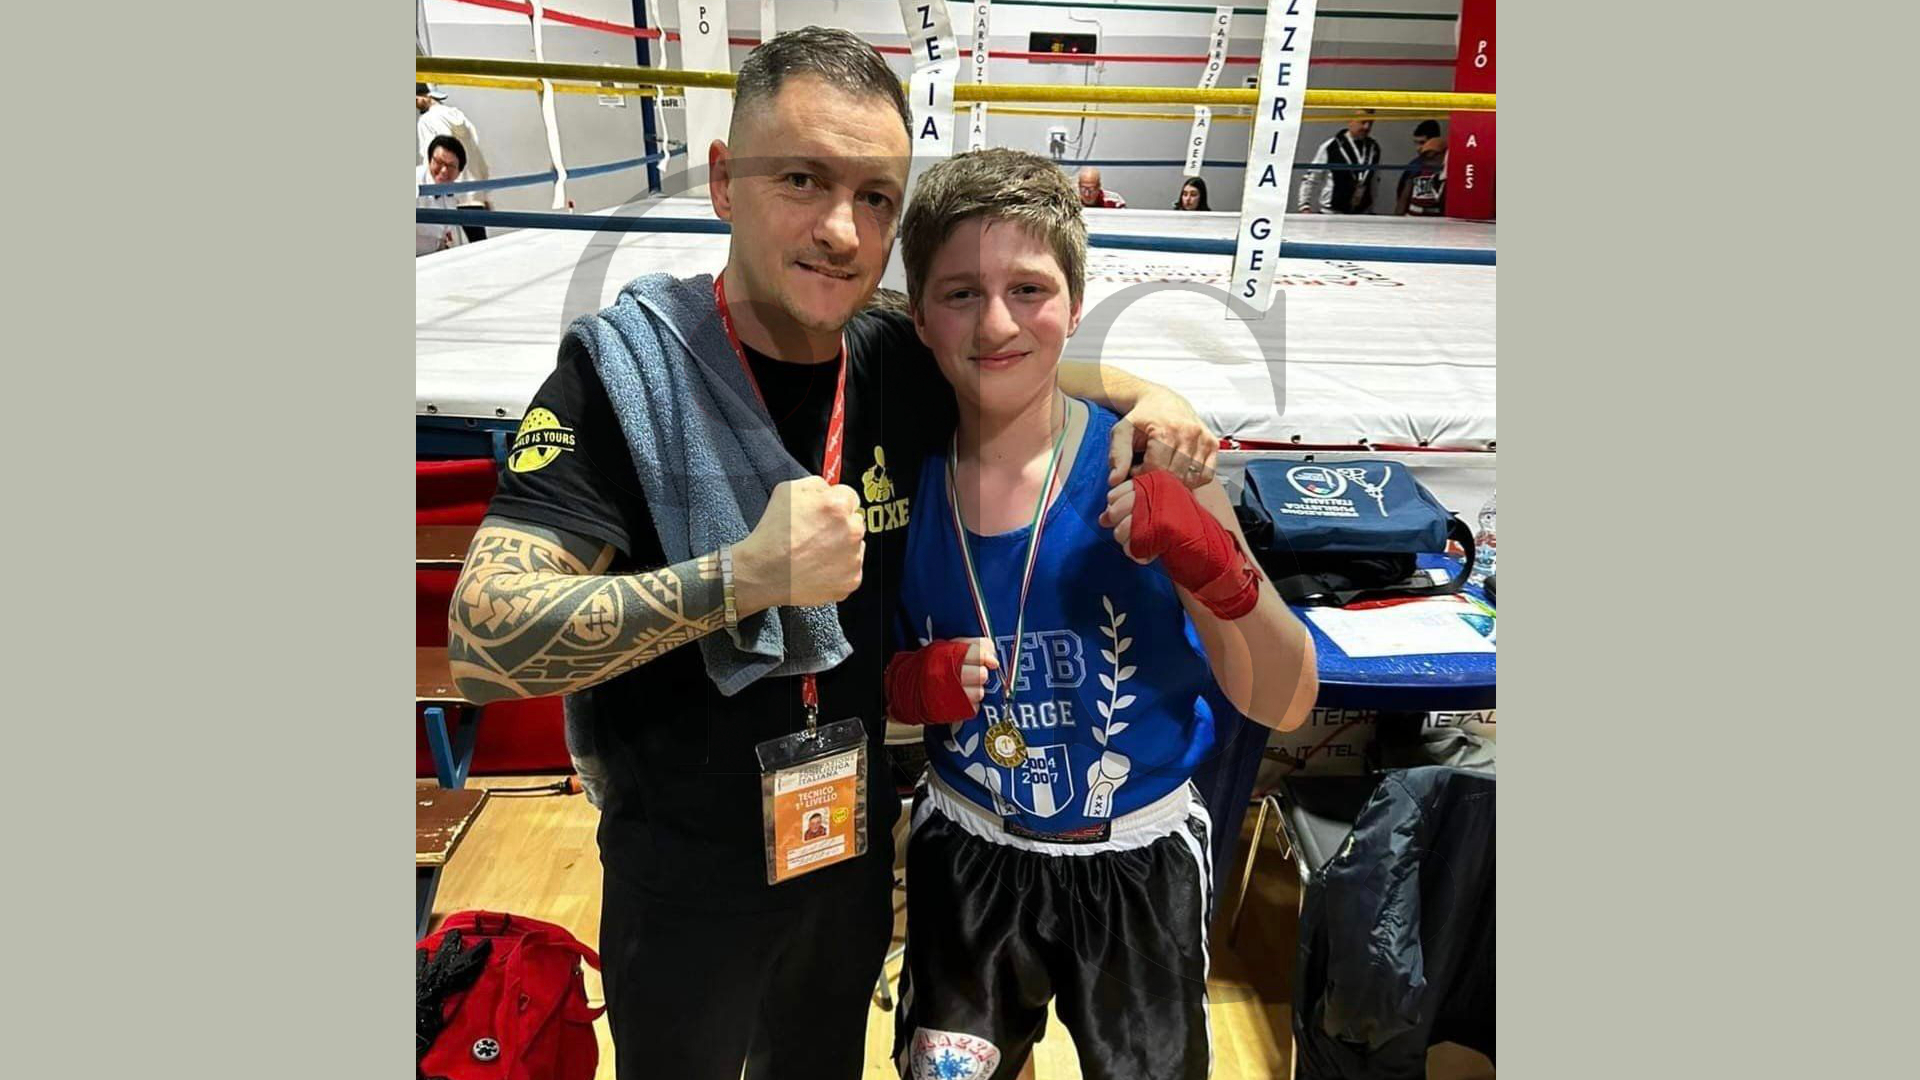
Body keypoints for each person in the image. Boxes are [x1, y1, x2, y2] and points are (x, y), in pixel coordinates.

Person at [447, 27, 1217, 1080]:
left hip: (846, 860)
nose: (841, 231)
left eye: (874, 198)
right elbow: (483, 643)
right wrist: (742, 578)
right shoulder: (625, 378)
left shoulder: (894, 356)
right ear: (725, 181)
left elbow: (1020, 355)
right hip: (682, 879)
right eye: (802, 179)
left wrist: (1152, 394)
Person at [884, 148, 1318, 1080]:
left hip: (1136, 859)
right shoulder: (900, 475)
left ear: (1075, 304)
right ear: (918, 315)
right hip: (968, 845)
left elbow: (1286, 701)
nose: (996, 322)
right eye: (960, 293)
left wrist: (1213, 568)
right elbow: (859, 687)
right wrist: (905, 691)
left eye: (1029, 289)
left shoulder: (1150, 462)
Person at [417, 83, 492, 242]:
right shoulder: (459, 116)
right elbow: (476, 151)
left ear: (426, 96)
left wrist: (430, 190)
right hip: (471, 189)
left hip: (447, 191)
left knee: (441, 244)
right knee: (479, 241)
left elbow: (432, 155)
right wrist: (483, 189)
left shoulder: (426, 120)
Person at [1297, 112, 1381, 214]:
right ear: (1350, 120)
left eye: (1371, 123)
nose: (1367, 127)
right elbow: (1311, 177)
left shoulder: (1373, 148)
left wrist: (1371, 209)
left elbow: (1374, 181)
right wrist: (1304, 206)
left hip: (1361, 213)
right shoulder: (1331, 146)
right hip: (1331, 213)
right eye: (1363, 122)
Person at [416, 135, 468, 257]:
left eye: (451, 166)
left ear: (459, 171)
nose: (444, 170)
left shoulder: (452, 190)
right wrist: (438, 244)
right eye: (439, 162)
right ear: (429, 160)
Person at [1396, 119, 1449, 216]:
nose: (1418, 148)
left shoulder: (1448, 168)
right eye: (1416, 143)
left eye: (1422, 143)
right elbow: (1403, 199)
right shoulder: (1415, 166)